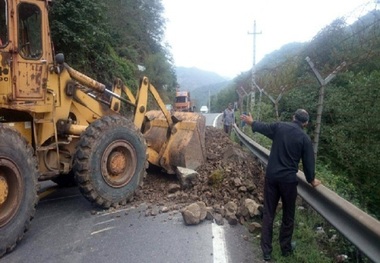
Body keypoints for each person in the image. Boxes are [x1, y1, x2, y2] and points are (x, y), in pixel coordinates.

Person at [240, 109, 321, 262]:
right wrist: (312, 181)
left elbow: (263, 128)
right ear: (306, 123)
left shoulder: (279, 127)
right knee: (288, 215)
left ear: (293, 117)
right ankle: (285, 249)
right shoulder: (304, 138)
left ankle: (266, 252)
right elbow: (309, 165)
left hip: (271, 177)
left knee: (269, 213)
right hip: (288, 181)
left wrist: (252, 122)